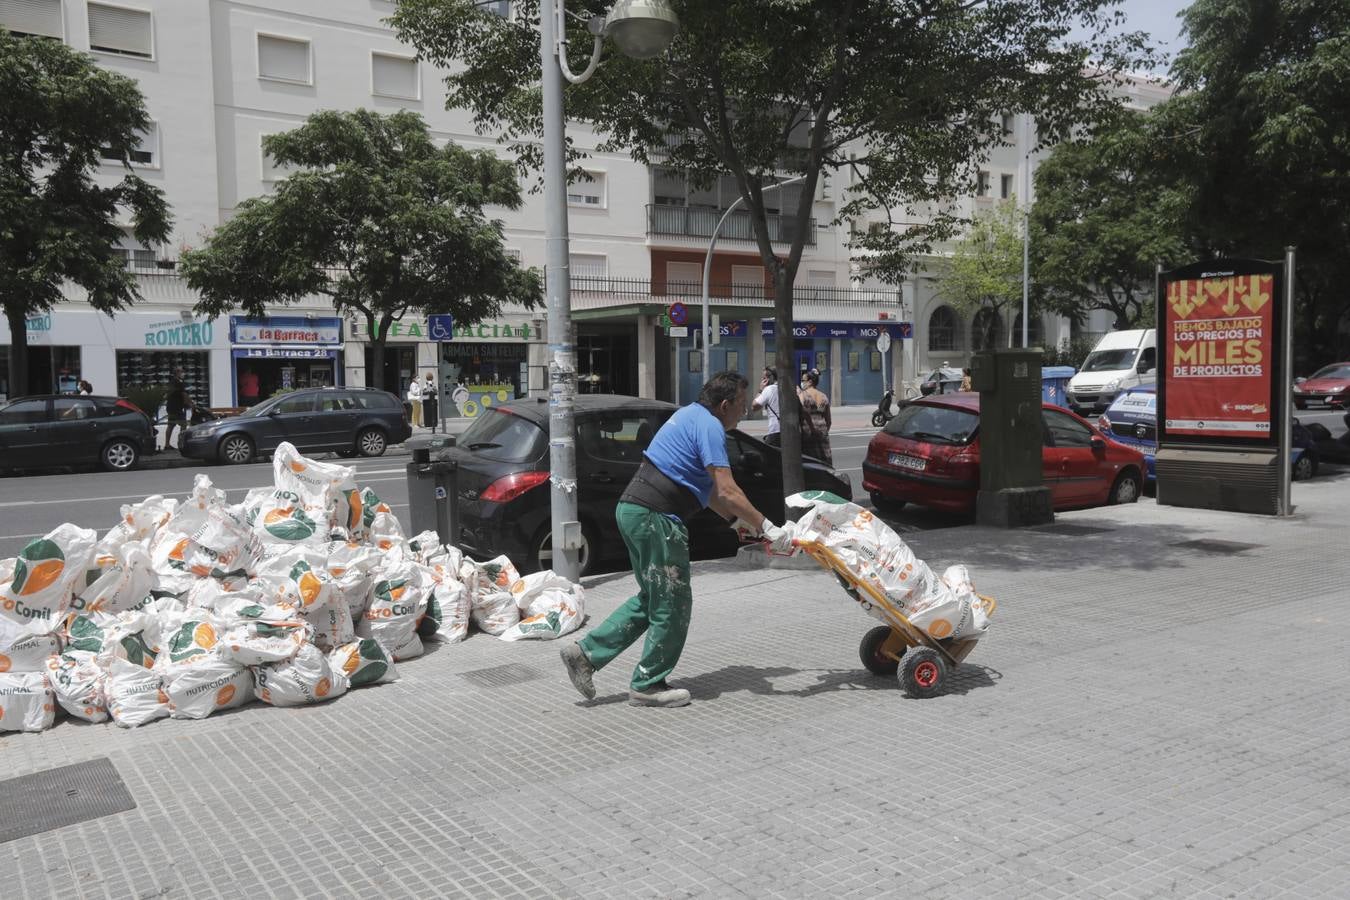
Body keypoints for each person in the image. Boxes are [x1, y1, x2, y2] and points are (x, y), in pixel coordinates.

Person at [559, 371, 792, 708]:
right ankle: (647, 685)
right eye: (741, 405)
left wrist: (737, 521)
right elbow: (727, 489)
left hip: (635, 509)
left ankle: (584, 654)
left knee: (653, 598)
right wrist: (769, 527)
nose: (745, 412)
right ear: (724, 404)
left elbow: (708, 491)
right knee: (673, 604)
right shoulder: (711, 426)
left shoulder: (687, 415)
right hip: (656, 516)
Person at [798, 368, 832, 466]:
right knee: (824, 458)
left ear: (810, 382)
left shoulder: (803, 395)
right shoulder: (823, 397)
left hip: (808, 430)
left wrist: (812, 428)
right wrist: (823, 431)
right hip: (822, 430)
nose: (802, 383)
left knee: (810, 460)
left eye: (803, 380)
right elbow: (828, 420)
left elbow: (803, 410)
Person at [162, 368, 192, 452]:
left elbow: (167, 394)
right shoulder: (179, 382)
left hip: (171, 407)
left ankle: (167, 445)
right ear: (177, 373)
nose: (183, 374)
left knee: (170, 425)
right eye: (182, 372)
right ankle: (181, 443)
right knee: (183, 424)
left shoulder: (171, 382)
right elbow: (184, 394)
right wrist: (190, 404)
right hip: (177, 408)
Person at [751, 367, 781, 447]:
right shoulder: (790, 388)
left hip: (776, 431)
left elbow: (754, 407)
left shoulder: (769, 389)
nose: (762, 380)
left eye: (764, 378)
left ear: (770, 378)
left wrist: (760, 390)